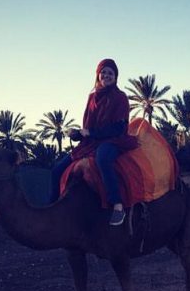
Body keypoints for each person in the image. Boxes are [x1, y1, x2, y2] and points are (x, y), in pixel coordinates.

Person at [56, 58, 138, 226]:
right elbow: (89, 126)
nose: (106, 75)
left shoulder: (120, 97)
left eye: (110, 73)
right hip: (91, 142)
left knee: (103, 158)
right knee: (57, 169)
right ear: (98, 75)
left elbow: (119, 127)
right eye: (104, 72)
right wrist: (78, 134)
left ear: (115, 77)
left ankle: (117, 204)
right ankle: (52, 208)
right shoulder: (92, 97)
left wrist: (91, 133)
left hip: (114, 140)